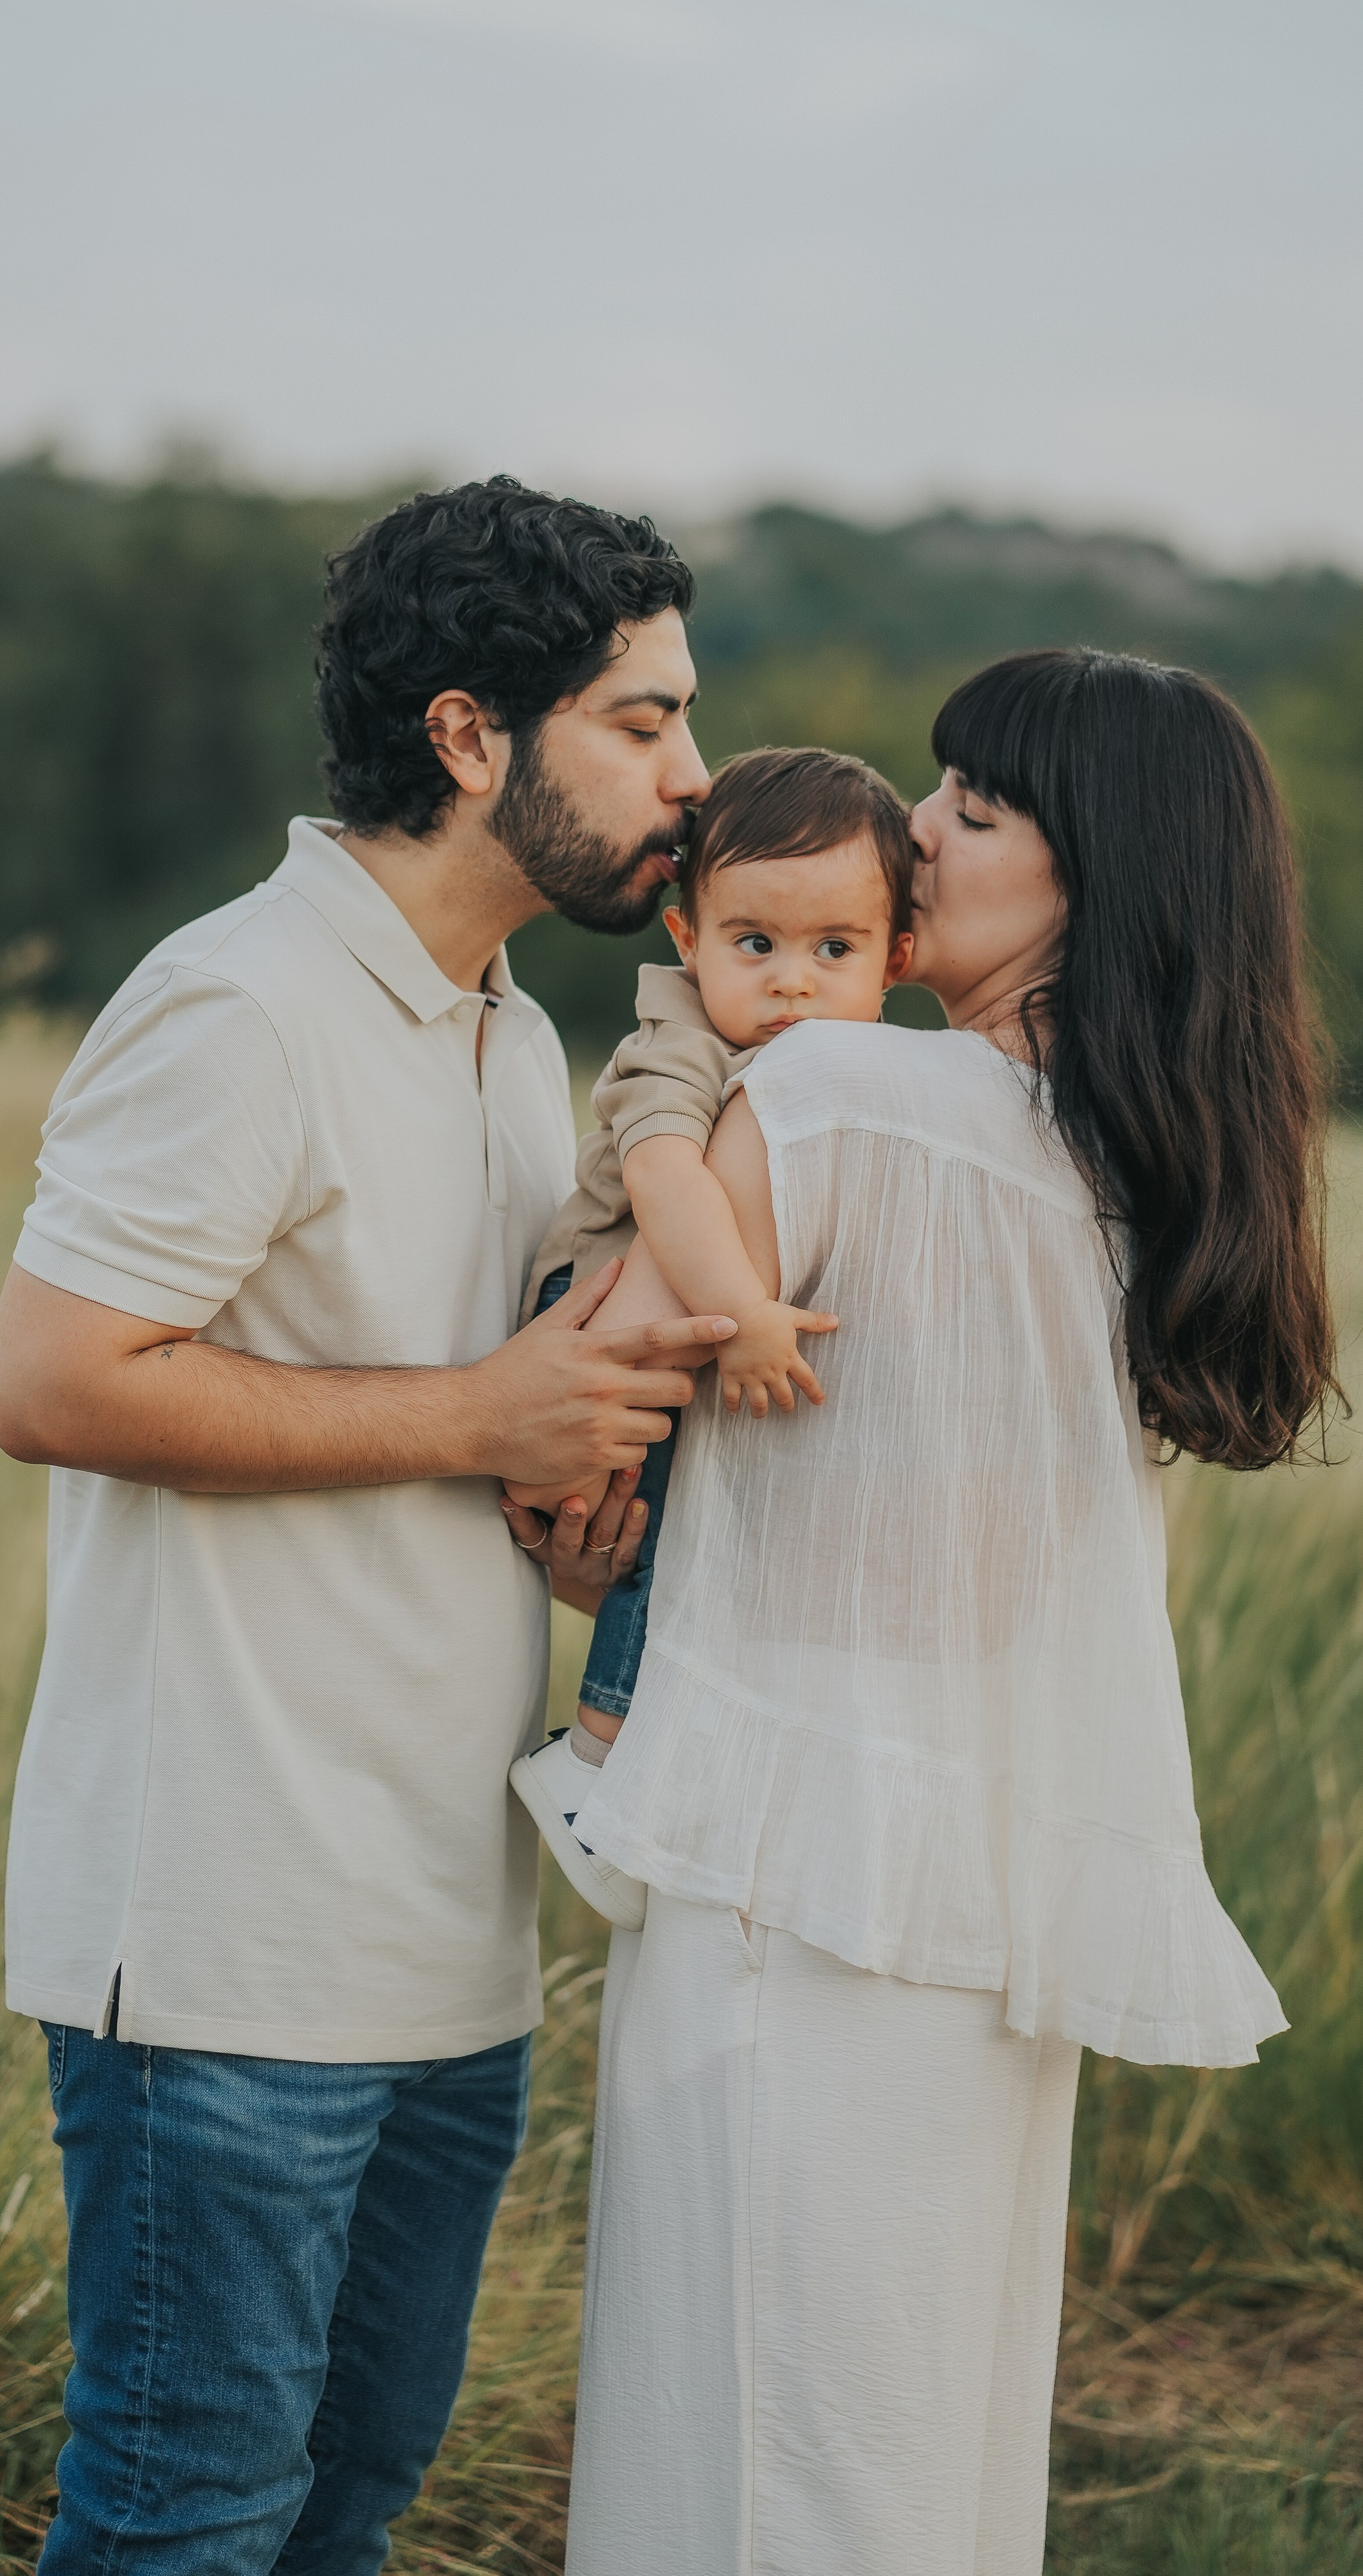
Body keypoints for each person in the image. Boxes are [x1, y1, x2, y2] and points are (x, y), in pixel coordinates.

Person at [506, 649, 1340, 2576]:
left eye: (975, 805)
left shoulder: (841, 1095)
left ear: (1092, 871)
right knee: (918, 2465)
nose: (917, 826)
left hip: (786, 1887)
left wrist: (578, 1522)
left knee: (739, 2452)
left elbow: (580, 1396)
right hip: (981, 1898)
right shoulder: (1151, 1176)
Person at [0, 476, 740, 2576]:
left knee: (346, 2504)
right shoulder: (242, 1004)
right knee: (186, 2518)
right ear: (464, 731)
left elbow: (446, 1433)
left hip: (445, 1936)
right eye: (640, 718)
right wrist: (472, 1410)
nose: (691, 774)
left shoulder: (511, 1033)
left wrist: (556, 1501)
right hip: (231, 1946)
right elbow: (52, 1381)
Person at [506, 747, 914, 1925]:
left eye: (831, 952)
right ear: (687, 943)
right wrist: (739, 1322)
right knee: (667, 1529)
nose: (790, 983)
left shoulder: (852, 1065)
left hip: (691, 1317)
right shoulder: (676, 1043)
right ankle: (596, 1759)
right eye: (755, 946)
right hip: (591, 1320)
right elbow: (666, 1178)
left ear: (892, 960)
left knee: (692, 1530)